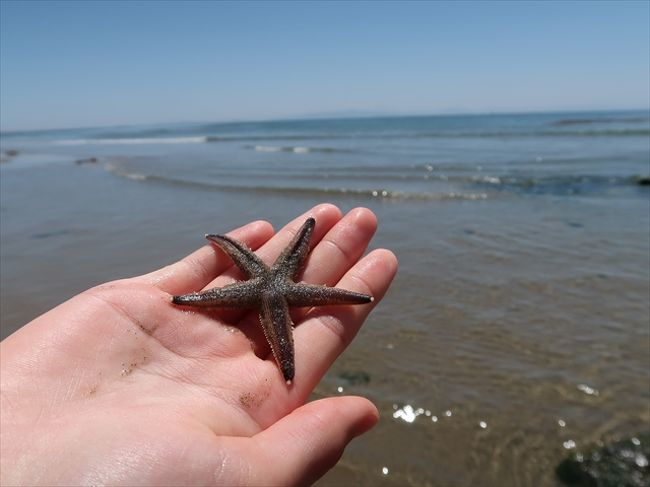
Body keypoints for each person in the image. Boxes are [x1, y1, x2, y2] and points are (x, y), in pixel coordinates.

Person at [0, 204, 398, 486]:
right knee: (284, 312)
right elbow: (259, 273)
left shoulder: (266, 279)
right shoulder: (265, 282)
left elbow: (280, 259)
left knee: (317, 290)